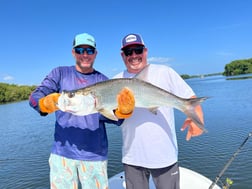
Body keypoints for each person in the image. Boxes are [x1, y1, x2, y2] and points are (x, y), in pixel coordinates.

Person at [29, 32, 135, 189]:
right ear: (73, 52)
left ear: (95, 54)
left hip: (95, 156)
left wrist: (122, 113)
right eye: (80, 50)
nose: (85, 55)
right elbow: (34, 97)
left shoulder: (104, 81)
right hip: (62, 154)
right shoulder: (60, 73)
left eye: (89, 51)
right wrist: (43, 104)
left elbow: (116, 119)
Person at [113, 33, 205, 189]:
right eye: (129, 52)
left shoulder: (165, 72)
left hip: (164, 155)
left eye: (138, 50)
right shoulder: (115, 81)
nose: (134, 55)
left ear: (145, 51)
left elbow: (190, 98)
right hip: (132, 157)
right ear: (123, 56)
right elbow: (112, 116)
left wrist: (198, 120)